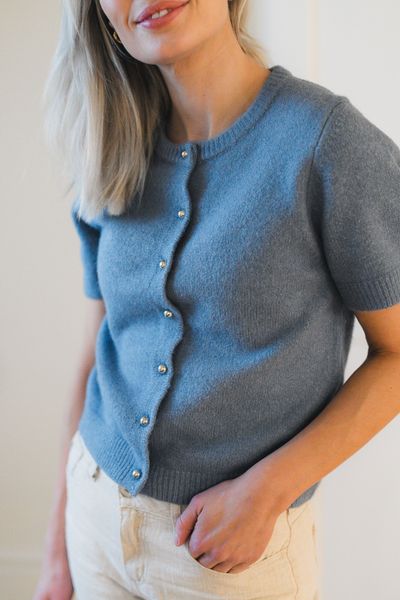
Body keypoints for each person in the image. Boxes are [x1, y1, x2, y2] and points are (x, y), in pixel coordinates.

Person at [34, 0, 400, 599]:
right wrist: (57, 550)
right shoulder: (111, 142)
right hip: (93, 521)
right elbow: (98, 349)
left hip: (228, 555)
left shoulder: (327, 144)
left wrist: (270, 489)